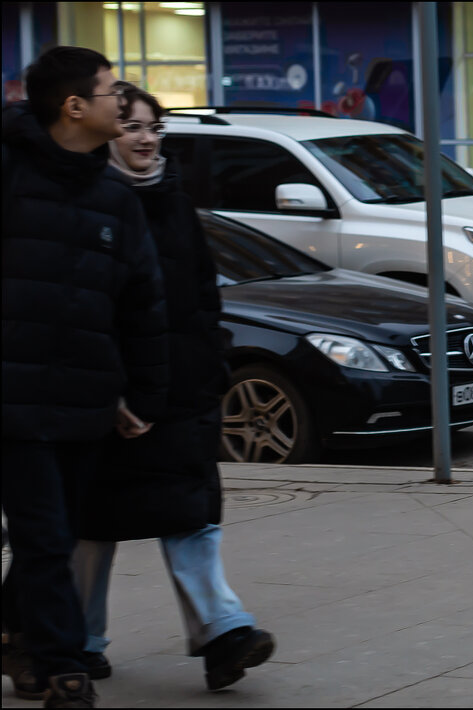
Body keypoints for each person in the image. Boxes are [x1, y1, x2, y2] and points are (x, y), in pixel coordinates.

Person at [68, 82, 276, 694]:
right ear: (107, 131)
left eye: (154, 128)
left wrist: (210, 369)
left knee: (190, 515)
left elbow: (203, 296)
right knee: (91, 526)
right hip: (112, 398)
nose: (145, 139)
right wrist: (111, 391)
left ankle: (223, 633)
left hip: (181, 391)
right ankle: (79, 638)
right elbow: (85, 307)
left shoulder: (175, 201)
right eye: (131, 126)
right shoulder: (88, 203)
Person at [2, 47, 169, 708]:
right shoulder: (9, 176)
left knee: (59, 533)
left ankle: (22, 636)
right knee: (44, 537)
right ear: (74, 107)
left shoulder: (111, 196)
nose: (121, 103)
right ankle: (64, 668)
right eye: (109, 93)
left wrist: (142, 393)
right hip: (12, 400)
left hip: (84, 396)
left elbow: (142, 302)